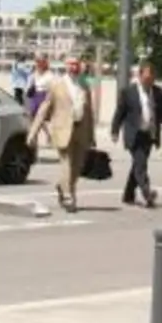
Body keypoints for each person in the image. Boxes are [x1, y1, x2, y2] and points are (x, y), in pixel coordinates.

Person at [28, 56, 94, 213]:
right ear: (65, 66)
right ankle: (68, 196)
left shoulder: (85, 85)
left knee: (77, 167)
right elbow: (44, 108)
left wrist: (92, 135)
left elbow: (89, 112)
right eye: (71, 64)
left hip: (80, 130)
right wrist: (33, 132)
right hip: (62, 129)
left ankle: (62, 186)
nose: (74, 67)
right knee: (66, 164)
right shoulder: (56, 84)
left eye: (76, 64)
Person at [111, 62, 162, 208]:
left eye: (152, 79)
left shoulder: (158, 92)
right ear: (139, 76)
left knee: (137, 164)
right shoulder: (128, 92)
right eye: (146, 78)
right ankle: (147, 193)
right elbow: (119, 113)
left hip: (149, 134)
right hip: (133, 134)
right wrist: (115, 131)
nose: (149, 81)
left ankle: (128, 195)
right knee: (141, 164)